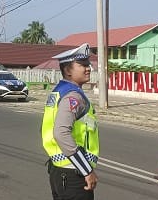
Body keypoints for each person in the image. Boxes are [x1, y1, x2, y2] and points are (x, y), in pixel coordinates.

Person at [41, 43, 99, 200]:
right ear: (68, 71)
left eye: (88, 64)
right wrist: (86, 170)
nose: (88, 68)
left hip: (59, 170)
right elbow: (61, 132)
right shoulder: (73, 96)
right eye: (82, 65)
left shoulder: (59, 91)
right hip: (73, 173)